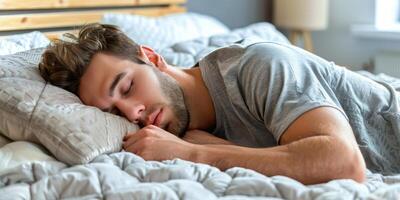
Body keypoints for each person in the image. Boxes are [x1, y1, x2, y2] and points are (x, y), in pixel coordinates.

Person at [38, 23, 400, 185]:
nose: (132, 113)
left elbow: (343, 162)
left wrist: (195, 154)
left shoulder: (260, 66)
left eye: (128, 86)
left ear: (150, 56)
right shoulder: (190, 127)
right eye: (113, 112)